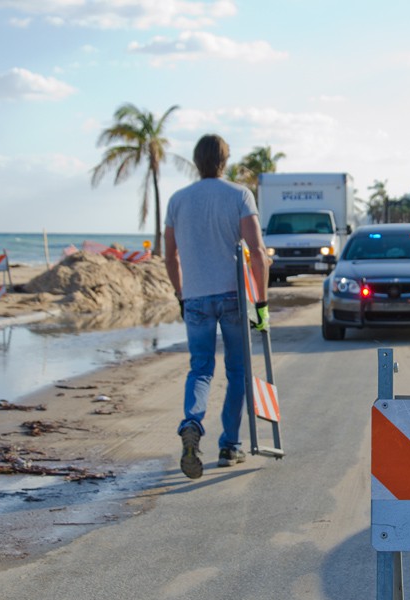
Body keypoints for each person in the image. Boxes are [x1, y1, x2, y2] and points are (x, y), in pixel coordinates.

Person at [164, 134, 270, 480]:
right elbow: (258, 253)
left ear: (196, 161)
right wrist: (262, 302)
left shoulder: (178, 200)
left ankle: (192, 423)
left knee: (201, 369)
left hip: (195, 297)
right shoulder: (239, 195)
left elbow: (170, 255)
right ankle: (229, 445)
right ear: (226, 159)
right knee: (237, 371)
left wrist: (181, 293)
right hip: (234, 296)